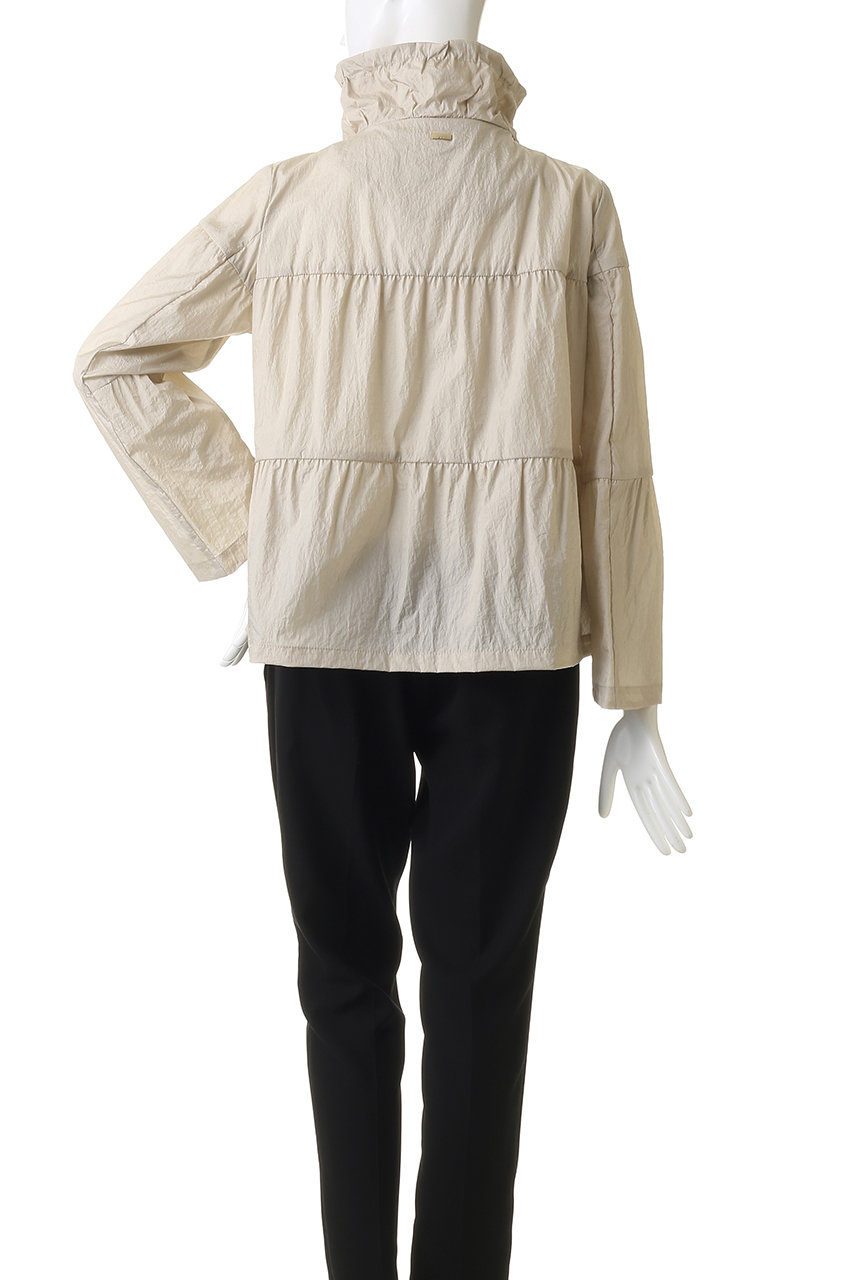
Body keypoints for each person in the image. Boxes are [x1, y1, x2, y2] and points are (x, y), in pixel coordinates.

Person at [72, 2, 692, 1276]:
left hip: (326, 634)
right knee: (479, 992)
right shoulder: (569, 203)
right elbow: (616, 456)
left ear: (368, 41)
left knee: (343, 981)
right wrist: (630, 684)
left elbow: (114, 356)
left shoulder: (287, 197)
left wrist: (259, 530)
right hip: (513, 632)